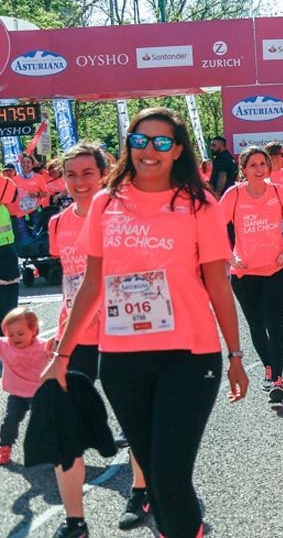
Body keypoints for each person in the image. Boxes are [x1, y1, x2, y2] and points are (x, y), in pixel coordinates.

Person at [42, 106, 248, 538]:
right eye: (139, 140)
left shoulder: (199, 202)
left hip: (190, 355)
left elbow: (217, 284)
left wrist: (234, 353)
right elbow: (92, 284)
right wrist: (62, 351)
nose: (148, 150)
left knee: (170, 472)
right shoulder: (105, 202)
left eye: (160, 142)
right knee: (155, 474)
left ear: (177, 150)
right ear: (128, 147)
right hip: (121, 359)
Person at [48, 142, 151, 537]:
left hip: (121, 331)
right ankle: (75, 520)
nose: (78, 182)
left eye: (86, 173)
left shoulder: (124, 215)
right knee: (65, 423)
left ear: (104, 173)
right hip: (76, 337)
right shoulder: (59, 224)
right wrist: (60, 335)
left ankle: (140, 491)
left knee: (133, 419)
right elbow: (70, 282)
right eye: (71, 174)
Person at [220, 147, 283, 404]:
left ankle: (277, 378)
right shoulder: (234, 194)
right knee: (256, 325)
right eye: (252, 165)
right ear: (243, 169)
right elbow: (216, 227)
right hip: (244, 274)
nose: (259, 169)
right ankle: (268, 366)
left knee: (275, 326)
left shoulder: (278, 191)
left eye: (262, 164)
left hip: (277, 270)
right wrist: (230, 256)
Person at [0, 306, 50, 466]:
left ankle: (51, 448)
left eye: (20, 334)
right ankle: (5, 446)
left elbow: (61, 351)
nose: (15, 338)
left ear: (33, 331)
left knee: (44, 422)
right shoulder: (5, 346)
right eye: (10, 334)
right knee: (10, 420)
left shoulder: (44, 346)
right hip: (17, 393)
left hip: (41, 393)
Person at [0, 169, 18, 323]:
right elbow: (13, 193)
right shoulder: (4, 183)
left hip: (5, 246)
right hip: (5, 246)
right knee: (9, 291)